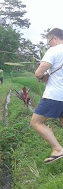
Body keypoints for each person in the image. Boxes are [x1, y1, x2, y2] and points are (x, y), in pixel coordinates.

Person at [30, 28, 63, 164]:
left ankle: (57, 149)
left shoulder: (54, 51)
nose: (49, 44)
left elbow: (39, 73)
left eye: (49, 41)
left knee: (36, 122)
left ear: (55, 38)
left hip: (54, 95)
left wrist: (43, 76)